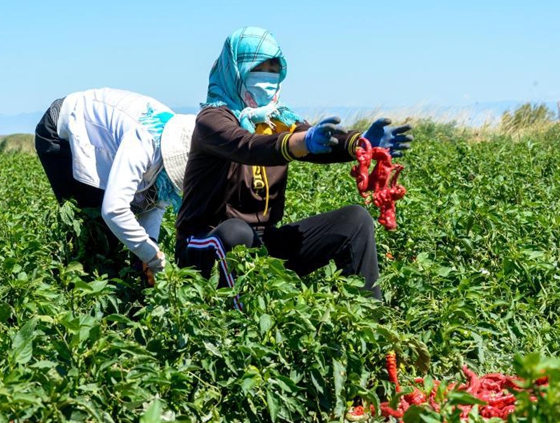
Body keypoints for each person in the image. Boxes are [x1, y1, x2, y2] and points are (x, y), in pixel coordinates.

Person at [174, 27, 413, 300]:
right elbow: (248, 147)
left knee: (355, 220)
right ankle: (239, 326)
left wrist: (360, 144)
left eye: (274, 68)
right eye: (259, 67)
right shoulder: (213, 120)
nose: (268, 76)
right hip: (203, 245)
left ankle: (372, 317)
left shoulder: (280, 119)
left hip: (262, 242)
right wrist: (299, 143)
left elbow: (320, 145)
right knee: (236, 232)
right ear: (235, 69)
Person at [34, 87, 195, 283]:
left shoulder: (174, 138)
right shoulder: (144, 140)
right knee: (93, 228)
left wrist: (150, 245)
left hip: (99, 138)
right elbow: (114, 210)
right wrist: (151, 256)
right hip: (62, 133)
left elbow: (155, 202)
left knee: (121, 237)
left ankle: (127, 281)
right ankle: (76, 285)